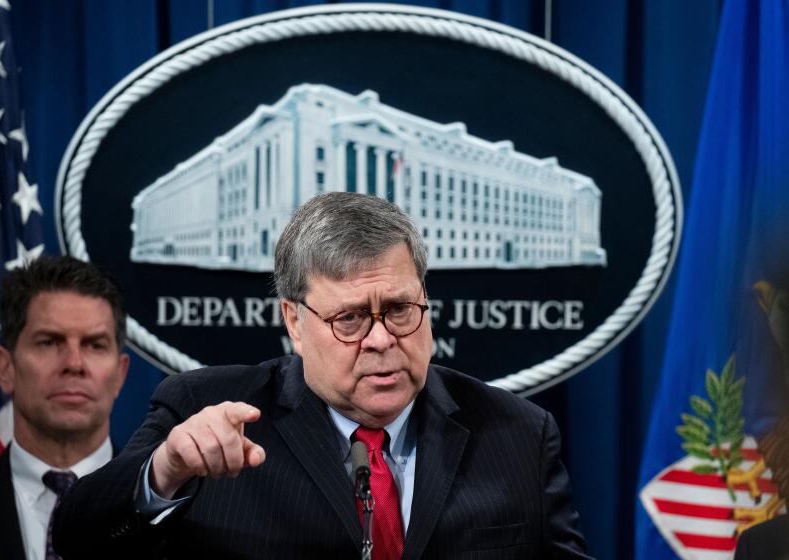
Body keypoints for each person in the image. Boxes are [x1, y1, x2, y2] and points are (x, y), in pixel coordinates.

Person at [53, 192, 589, 558]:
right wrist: (164, 472)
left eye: (401, 309)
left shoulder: (518, 433)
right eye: (350, 318)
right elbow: (77, 538)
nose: (381, 339)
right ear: (295, 322)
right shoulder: (205, 410)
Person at [0, 256, 130, 560]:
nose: (74, 364)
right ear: (5, 369)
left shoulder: (175, 516)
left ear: (120, 375)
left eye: (95, 345)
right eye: (49, 342)